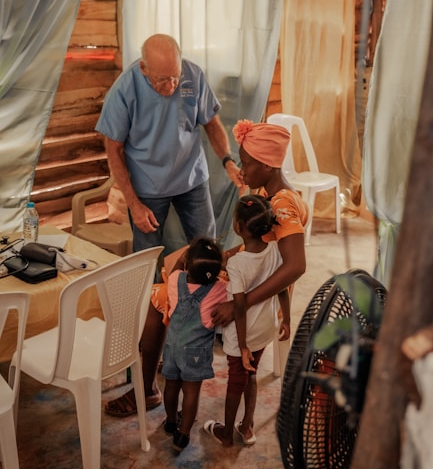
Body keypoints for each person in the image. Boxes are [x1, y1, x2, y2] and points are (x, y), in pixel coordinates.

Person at [96, 33, 240, 413]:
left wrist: (227, 160)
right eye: (162, 79)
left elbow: (211, 123)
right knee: (151, 274)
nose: (171, 86)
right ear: (144, 69)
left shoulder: (192, 75)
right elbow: (113, 148)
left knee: (211, 253)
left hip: (191, 179)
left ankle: (212, 327)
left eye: (175, 76)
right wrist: (132, 202)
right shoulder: (126, 87)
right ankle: (148, 372)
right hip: (147, 189)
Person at [203, 195, 291, 447]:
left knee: (236, 379)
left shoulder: (236, 262)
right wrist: (287, 318)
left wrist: (241, 346)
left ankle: (227, 432)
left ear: (238, 227)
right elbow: (283, 286)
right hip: (266, 327)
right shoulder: (276, 250)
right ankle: (247, 427)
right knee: (250, 376)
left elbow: (239, 307)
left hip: (244, 333)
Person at [210, 118, 308, 330]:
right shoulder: (270, 193)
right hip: (254, 276)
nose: (241, 171)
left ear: (267, 165)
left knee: (171, 294)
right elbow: (263, 244)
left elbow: (296, 266)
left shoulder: (281, 205)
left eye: (245, 163)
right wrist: (224, 257)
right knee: (183, 261)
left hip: (261, 295)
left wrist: (239, 304)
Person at [161, 237, 227, 452]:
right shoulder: (220, 288)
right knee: (191, 392)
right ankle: (183, 435)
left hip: (171, 346)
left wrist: (183, 259)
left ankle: (171, 421)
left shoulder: (175, 279)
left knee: (171, 385)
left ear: (187, 264)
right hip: (196, 352)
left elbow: (177, 268)